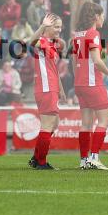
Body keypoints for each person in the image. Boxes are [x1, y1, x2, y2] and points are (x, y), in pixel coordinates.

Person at [71, 2, 108, 170]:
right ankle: (94, 158)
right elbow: (96, 61)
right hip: (93, 83)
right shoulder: (93, 33)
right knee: (105, 119)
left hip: (80, 84)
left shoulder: (77, 35)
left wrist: (78, 80)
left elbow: (74, 62)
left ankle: (83, 160)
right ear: (95, 16)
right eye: (102, 15)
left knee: (86, 123)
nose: (103, 18)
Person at [26, 13, 65, 170]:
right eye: (56, 26)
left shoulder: (52, 44)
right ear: (47, 27)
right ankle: (41, 162)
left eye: (60, 27)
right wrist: (41, 26)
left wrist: (61, 89)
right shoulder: (41, 41)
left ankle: (36, 157)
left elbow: (53, 69)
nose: (59, 30)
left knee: (54, 123)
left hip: (52, 87)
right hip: (46, 87)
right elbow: (30, 43)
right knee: (47, 125)